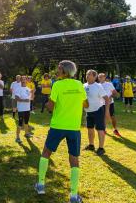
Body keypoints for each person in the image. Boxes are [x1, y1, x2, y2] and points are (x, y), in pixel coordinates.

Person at [34, 60, 88, 203]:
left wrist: (47, 105)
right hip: (74, 128)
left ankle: (40, 185)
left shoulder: (57, 85)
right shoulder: (79, 85)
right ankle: (74, 196)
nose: (56, 71)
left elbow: (50, 107)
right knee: (74, 159)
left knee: (46, 152)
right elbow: (86, 104)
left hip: (58, 126)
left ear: (65, 71)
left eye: (58, 69)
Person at [84, 70, 110, 156]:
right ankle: (91, 145)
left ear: (95, 77)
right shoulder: (83, 86)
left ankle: (101, 148)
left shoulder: (98, 86)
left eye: (89, 75)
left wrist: (106, 112)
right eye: (87, 74)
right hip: (88, 111)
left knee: (100, 129)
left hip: (98, 110)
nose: (87, 76)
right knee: (90, 128)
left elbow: (107, 99)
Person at [15, 75, 33, 143]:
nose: (23, 80)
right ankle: (17, 137)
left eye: (25, 79)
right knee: (20, 123)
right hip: (21, 109)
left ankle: (26, 133)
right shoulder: (18, 89)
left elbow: (31, 98)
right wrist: (24, 100)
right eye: (22, 79)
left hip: (27, 109)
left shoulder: (28, 89)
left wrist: (33, 93)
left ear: (26, 80)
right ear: (20, 80)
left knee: (26, 122)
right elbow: (16, 98)